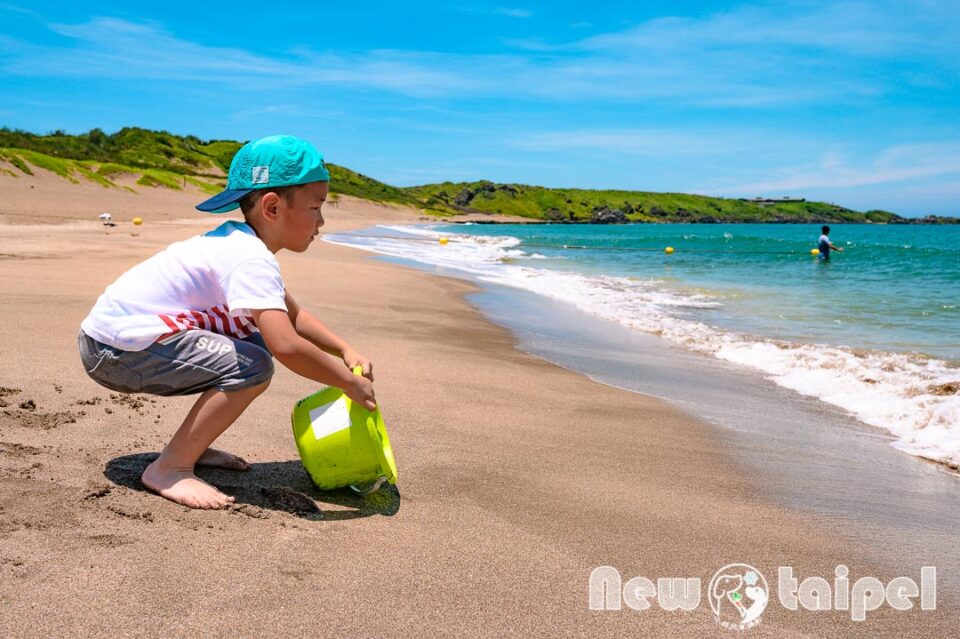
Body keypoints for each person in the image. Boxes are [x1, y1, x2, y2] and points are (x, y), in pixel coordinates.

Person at [78, 134, 376, 510]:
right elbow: (287, 347)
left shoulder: (242, 245)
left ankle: (193, 446)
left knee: (257, 342)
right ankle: (170, 467)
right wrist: (346, 382)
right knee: (255, 363)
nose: (322, 220)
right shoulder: (249, 258)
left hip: (116, 342)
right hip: (118, 351)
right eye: (316, 207)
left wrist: (344, 349)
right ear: (272, 207)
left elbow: (294, 318)